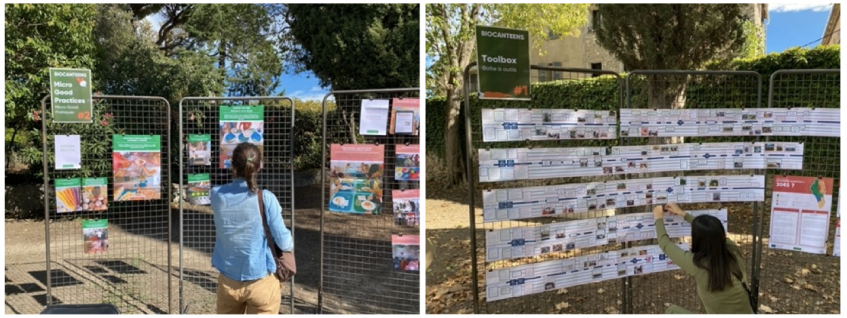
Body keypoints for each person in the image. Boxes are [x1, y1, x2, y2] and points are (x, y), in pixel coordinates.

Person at [211, 142, 294, 314]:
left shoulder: (216, 195)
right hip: (262, 279)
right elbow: (285, 243)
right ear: (260, 166)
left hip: (228, 279)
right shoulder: (267, 198)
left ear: (232, 166)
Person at [653, 203, 753, 314]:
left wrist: (658, 218)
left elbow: (665, 244)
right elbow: (711, 232)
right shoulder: (731, 249)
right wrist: (682, 214)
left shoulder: (698, 265)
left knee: (671, 312)